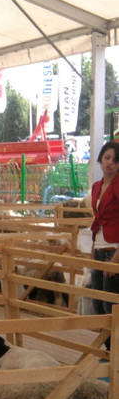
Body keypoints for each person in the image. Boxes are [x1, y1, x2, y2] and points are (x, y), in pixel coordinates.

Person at [89, 141, 119, 350]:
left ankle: (116, 351)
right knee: (97, 302)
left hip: (114, 248)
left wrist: (117, 256)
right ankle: (109, 351)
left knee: (111, 304)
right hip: (99, 246)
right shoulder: (97, 186)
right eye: (107, 158)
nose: (110, 163)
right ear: (100, 159)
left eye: (115, 160)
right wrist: (92, 247)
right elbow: (98, 218)